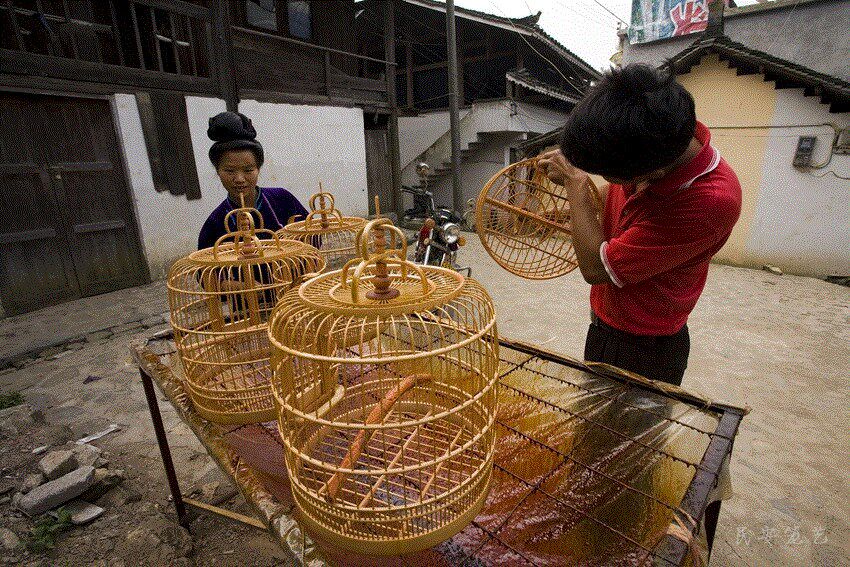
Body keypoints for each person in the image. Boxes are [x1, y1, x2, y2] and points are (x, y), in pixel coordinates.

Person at [538, 64, 741, 386]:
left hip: (642, 346)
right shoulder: (650, 140)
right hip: (607, 324)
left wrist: (576, 184)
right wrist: (570, 209)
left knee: (621, 419)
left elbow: (597, 270)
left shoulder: (710, 201)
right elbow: (611, 195)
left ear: (654, 173)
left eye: (611, 175)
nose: (608, 182)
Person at [198, 111, 307, 250]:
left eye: (248, 170)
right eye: (230, 171)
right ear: (217, 171)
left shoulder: (283, 200)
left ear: (258, 169)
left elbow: (312, 239)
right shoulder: (214, 225)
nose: (239, 179)